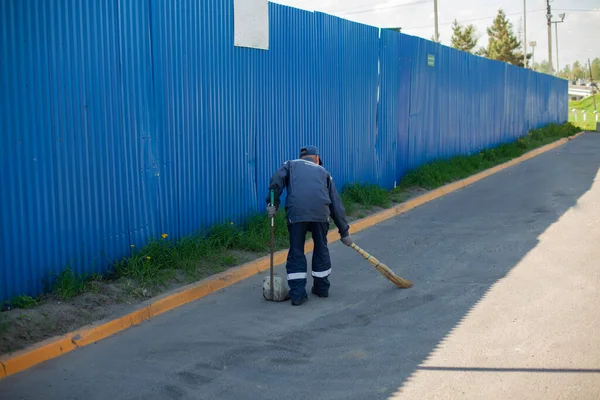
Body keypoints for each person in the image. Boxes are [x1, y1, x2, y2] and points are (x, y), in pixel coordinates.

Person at [266, 146, 353, 306]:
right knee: (321, 247)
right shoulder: (324, 172)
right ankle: (321, 289)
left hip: (297, 212)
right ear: (317, 159)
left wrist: (273, 203)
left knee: (296, 249)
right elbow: (336, 204)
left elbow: (275, 182)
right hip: (321, 213)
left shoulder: (290, 164)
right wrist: (344, 232)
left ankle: (298, 294)